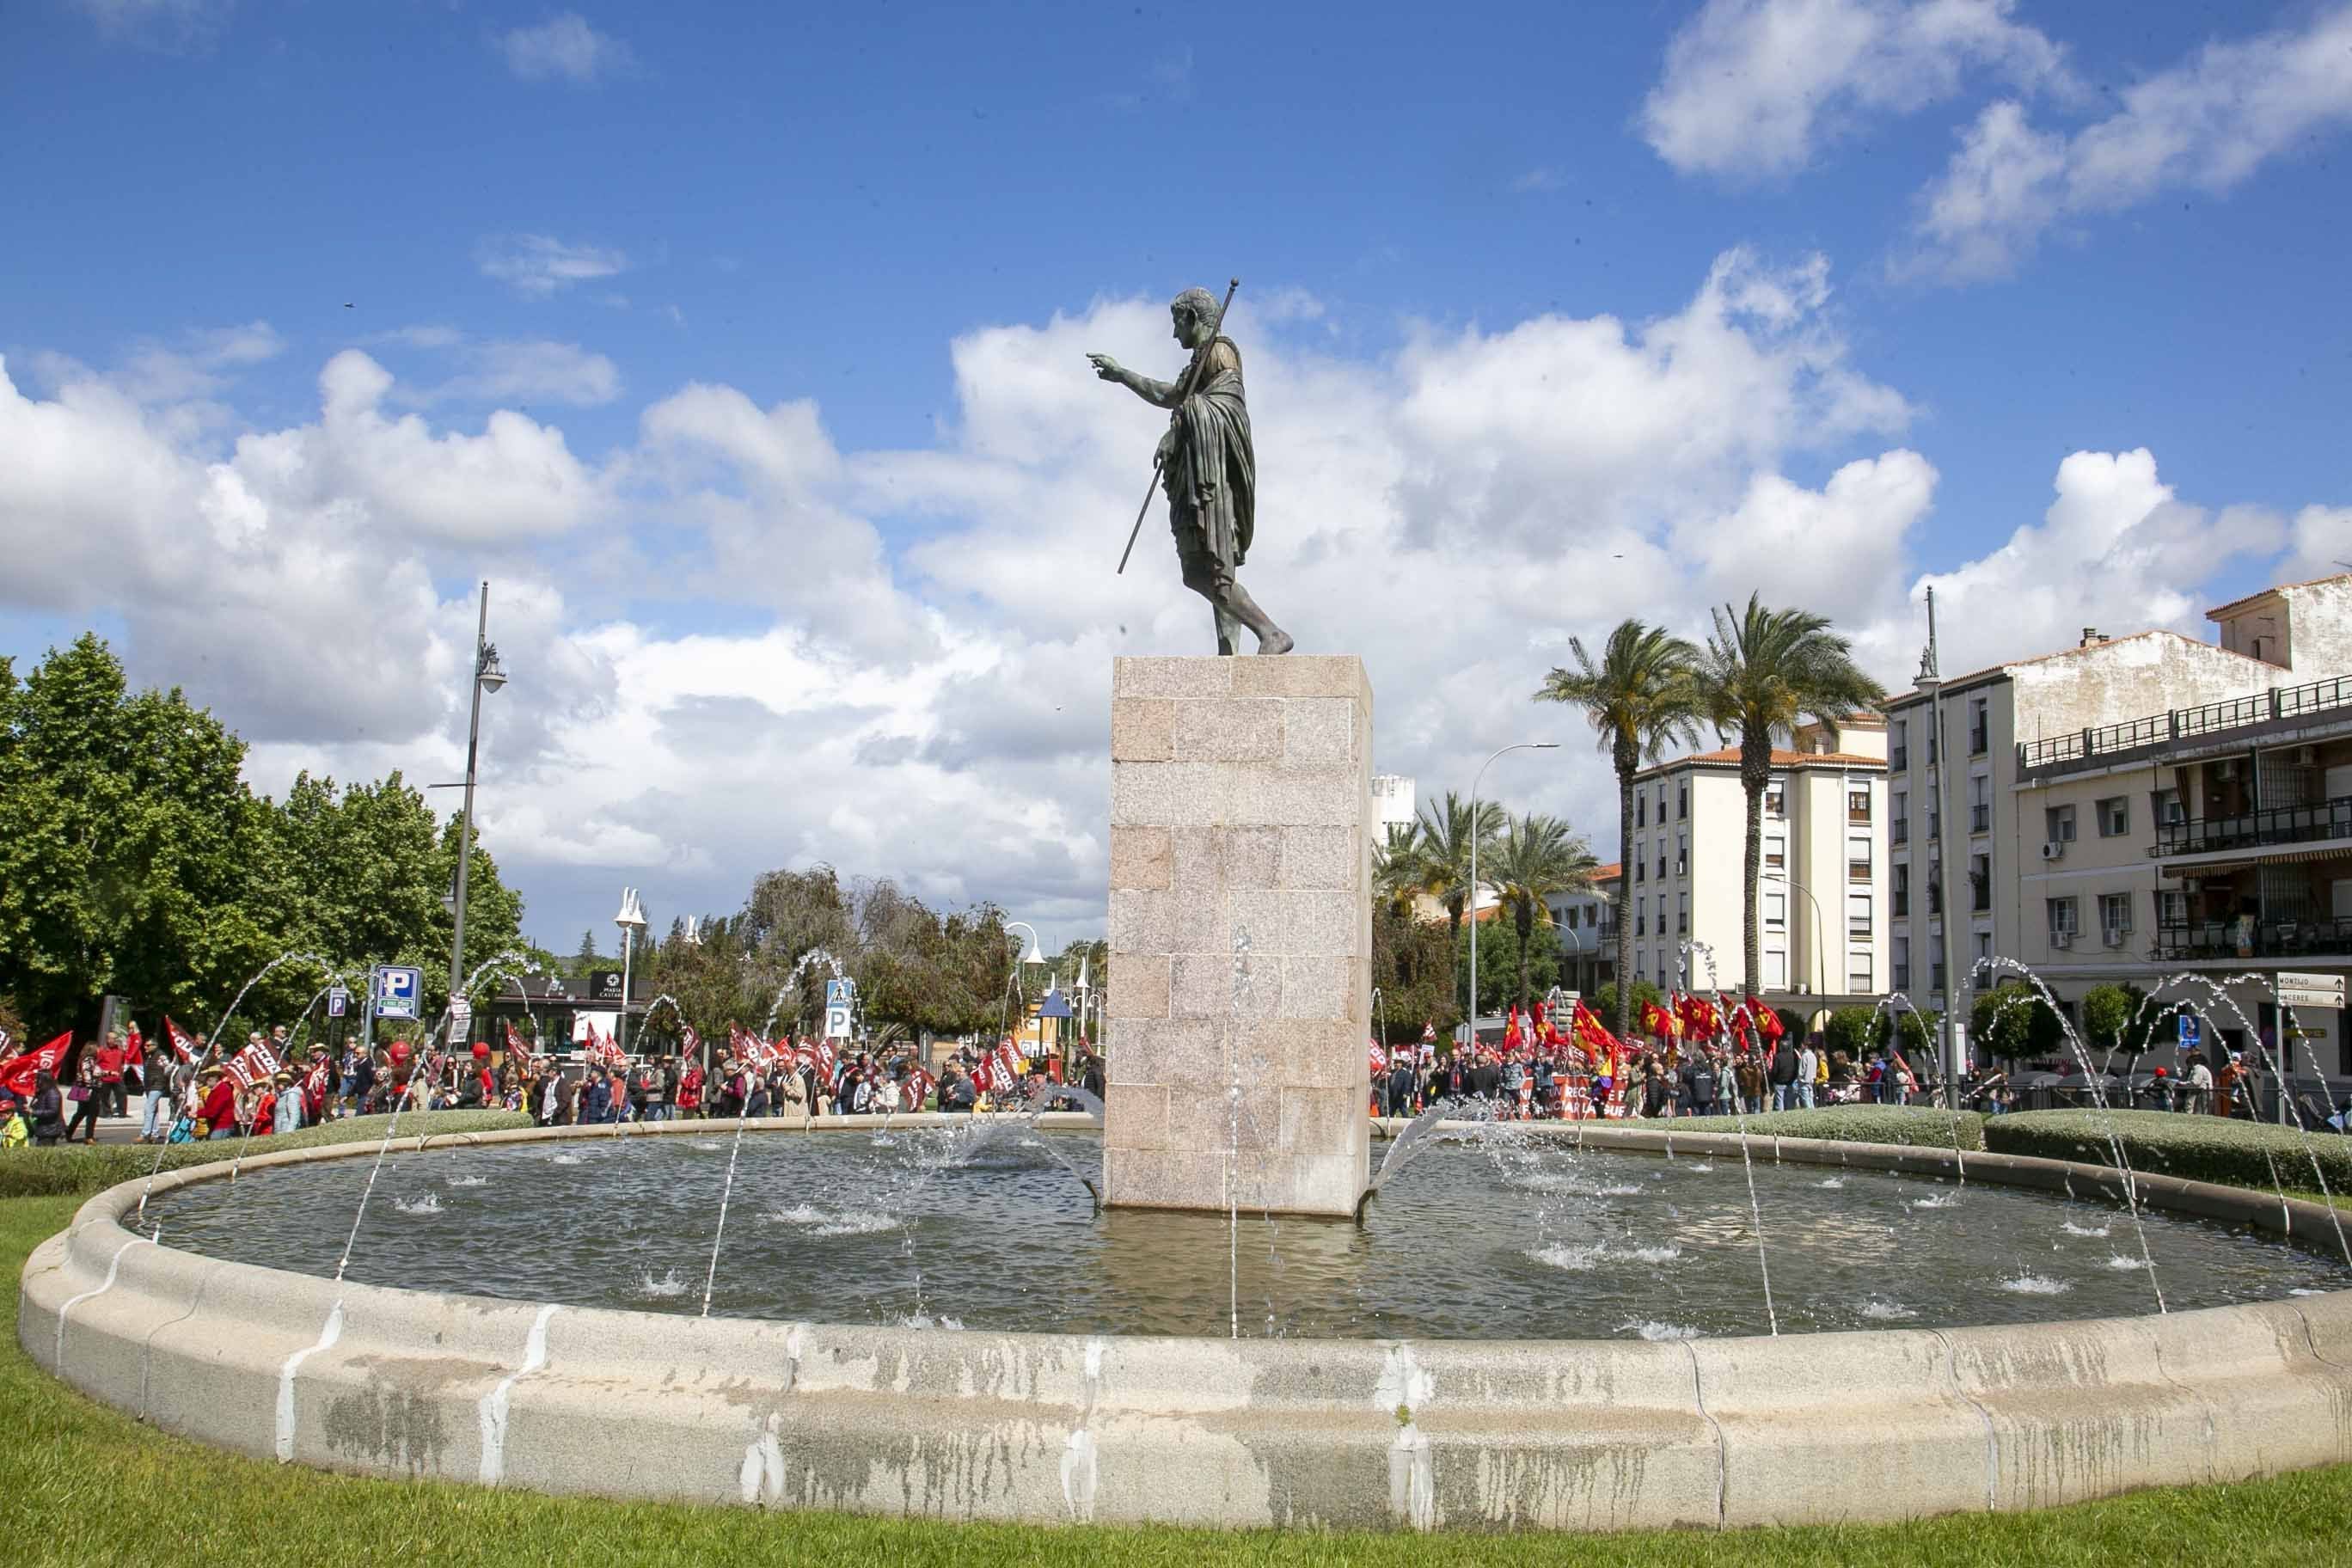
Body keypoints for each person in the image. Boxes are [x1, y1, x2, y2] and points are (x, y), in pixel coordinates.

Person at [1086, 287, 1295, 655]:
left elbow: (1226, 408)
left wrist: (1177, 429)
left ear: (1193, 319)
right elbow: (1170, 395)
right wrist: (1122, 375)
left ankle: (1271, 632)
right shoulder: (1203, 355)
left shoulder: (1219, 351)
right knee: (1205, 569)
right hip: (1198, 470)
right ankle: (1229, 652)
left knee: (1209, 568)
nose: (1173, 334)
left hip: (1213, 477)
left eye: (1176, 323)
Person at [63, 1049, 104, 1143]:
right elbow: (87, 1075)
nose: (99, 1051)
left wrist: (108, 1073)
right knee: (92, 1113)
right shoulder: (88, 1061)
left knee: (81, 1113)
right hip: (89, 1090)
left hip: (87, 1089)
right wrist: (90, 1086)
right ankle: (89, 1136)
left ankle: (69, 1132)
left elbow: (96, 1073)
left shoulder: (89, 1060)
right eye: (97, 1049)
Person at [28, 1072, 66, 1147]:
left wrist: (34, 1112)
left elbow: (53, 1111)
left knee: (43, 1151)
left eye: (37, 1079)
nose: (35, 1081)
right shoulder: (43, 1092)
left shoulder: (53, 1093)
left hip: (50, 1128)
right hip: (44, 1127)